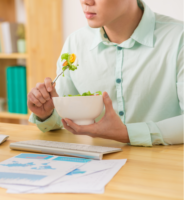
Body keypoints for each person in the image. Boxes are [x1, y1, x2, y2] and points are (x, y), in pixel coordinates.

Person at [27, 0, 183, 146]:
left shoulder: (178, 39)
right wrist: (47, 114)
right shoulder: (75, 43)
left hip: (162, 169)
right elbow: (66, 120)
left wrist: (127, 134)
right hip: (94, 166)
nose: (86, 1)